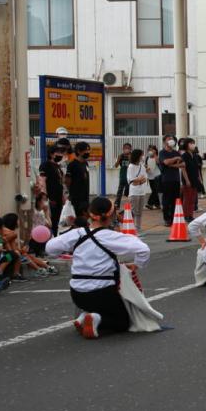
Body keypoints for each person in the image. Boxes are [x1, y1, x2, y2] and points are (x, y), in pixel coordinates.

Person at [45, 196, 155, 339]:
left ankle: (83, 316)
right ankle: (95, 319)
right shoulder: (112, 237)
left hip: (77, 293)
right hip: (103, 292)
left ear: (90, 213)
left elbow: (50, 248)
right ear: (112, 215)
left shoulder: (76, 234)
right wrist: (136, 265)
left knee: (100, 304)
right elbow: (143, 250)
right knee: (122, 322)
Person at [39, 145, 66, 229]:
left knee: (56, 221)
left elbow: (60, 183)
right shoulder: (45, 165)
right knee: (50, 220)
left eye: (61, 153)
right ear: (51, 154)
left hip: (58, 199)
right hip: (50, 198)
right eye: (58, 152)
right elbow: (42, 182)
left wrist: (63, 196)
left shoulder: (58, 167)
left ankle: (54, 236)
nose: (60, 155)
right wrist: (45, 197)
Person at [66, 142, 92, 218]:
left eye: (88, 150)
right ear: (78, 151)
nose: (88, 152)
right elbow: (67, 181)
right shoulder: (72, 165)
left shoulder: (85, 163)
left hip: (85, 197)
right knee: (77, 218)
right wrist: (69, 194)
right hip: (76, 198)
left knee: (85, 218)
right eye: (86, 150)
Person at [125, 148, 148, 232]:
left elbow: (144, 178)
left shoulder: (142, 166)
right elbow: (132, 181)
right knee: (133, 211)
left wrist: (139, 180)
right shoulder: (131, 166)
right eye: (141, 155)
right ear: (138, 156)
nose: (143, 156)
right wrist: (139, 180)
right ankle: (131, 227)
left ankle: (138, 227)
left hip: (142, 192)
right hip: (134, 192)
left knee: (140, 212)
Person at [182, 138, 204, 215]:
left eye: (193, 143)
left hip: (195, 179)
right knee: (187, 198)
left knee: (193, 199)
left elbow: (197, 168)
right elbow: (183, 169)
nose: (193, 145)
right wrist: (187, 180)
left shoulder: (195, 155)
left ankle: (190, 214)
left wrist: (200, 178)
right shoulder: (184, 155)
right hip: (188, 180)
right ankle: (186, 215)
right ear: (186, 145)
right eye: (191, 143)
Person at [113, 143, 133, 209]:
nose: (126, 149)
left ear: (130, 149)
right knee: (119, 191)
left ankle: (131, 205)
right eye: (125, 148)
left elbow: (133, 165)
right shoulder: (121, 156)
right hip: (122, 176)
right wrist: (119, 159)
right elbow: (116, 166)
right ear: (123, 149)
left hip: (130, 177)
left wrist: (130, 157)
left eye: (128, 148)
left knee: (129, 192)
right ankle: (117, 205)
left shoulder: (132, 156)